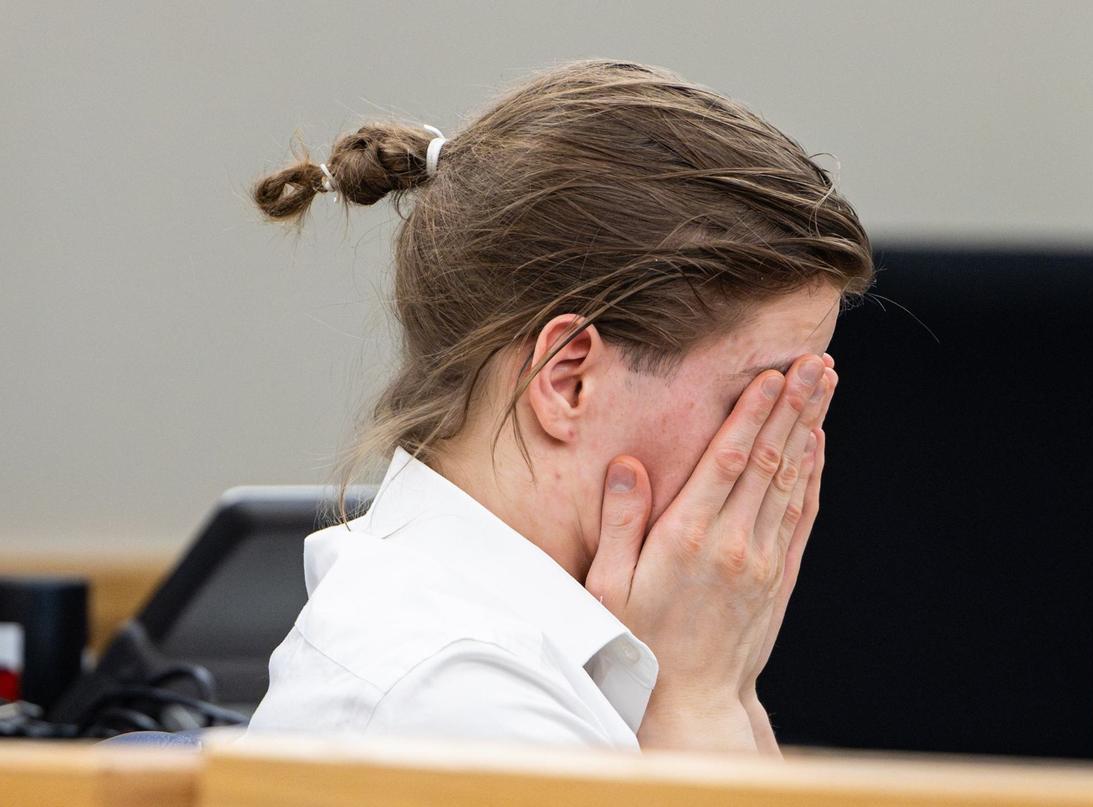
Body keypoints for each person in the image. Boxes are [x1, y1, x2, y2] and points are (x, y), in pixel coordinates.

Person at [243, 59, 873, 754]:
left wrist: (729, 689)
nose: (786, 449)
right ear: (567, 379)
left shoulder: (571, 655)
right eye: (763, 393)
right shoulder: (454, 699)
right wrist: (695, 701)